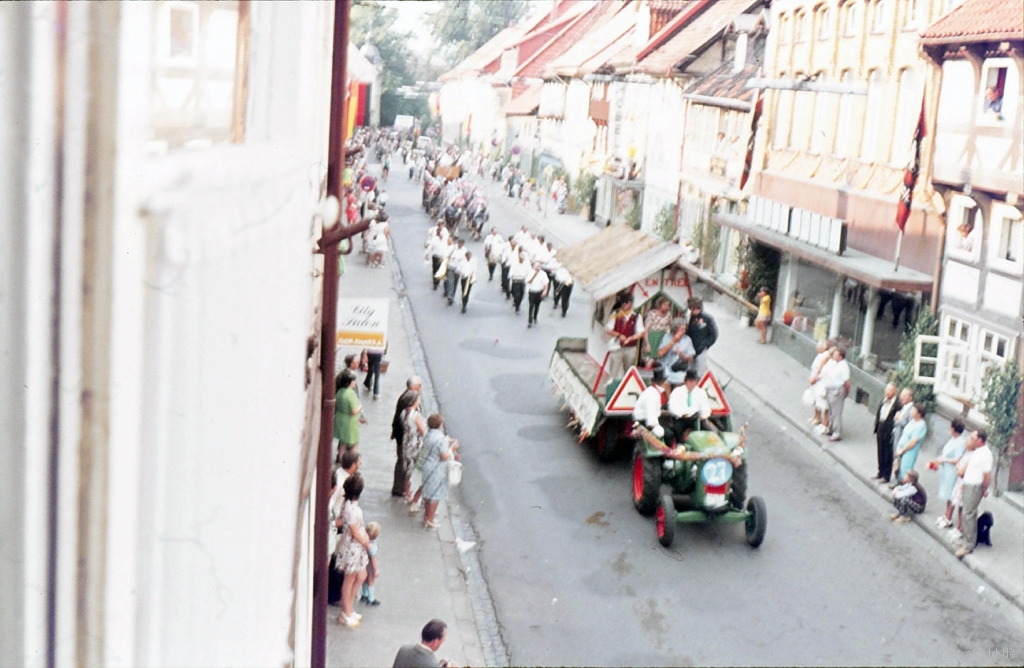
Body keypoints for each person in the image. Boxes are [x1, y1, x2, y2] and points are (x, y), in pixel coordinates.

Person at [336, 475, 371, 628]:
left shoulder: (349, 505)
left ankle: (349, 607)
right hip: (353, 547)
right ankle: (346, 611)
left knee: (361, 575)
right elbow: (355, 531)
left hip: (355, 547)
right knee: (350, 579)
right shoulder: (352, 509)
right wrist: (366, 542)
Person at [956, 430, 993, 559]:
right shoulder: (977, 451)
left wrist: (984, 489)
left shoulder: (986, 454)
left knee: (968, 514)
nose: (971, 439)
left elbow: (987, 476)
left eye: (973, 437)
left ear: (980, 440)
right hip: (968, 484)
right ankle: (968, 539)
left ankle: (968, 546)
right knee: (969, 513)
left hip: (974, 487)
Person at [419, 413, 459, 530]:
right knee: (435, 495)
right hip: (436, 468)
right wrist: (452, 448)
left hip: (427, 465)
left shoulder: (427, 434)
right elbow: (444, 456)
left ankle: (426, 516)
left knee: (427, 493)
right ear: (439, 425)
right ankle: (430, 519)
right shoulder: (440, 438)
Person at [391, 376, 422, 497]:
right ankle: (400, 489)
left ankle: (402, 488)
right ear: (414, 387)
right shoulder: (408, 399)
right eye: (419, 386)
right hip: (406, 438)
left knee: (403, 462)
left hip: (404, 437)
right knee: (404, 463)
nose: (420, 388)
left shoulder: (407, 396)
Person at [933, 419, 967, 529]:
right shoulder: (953, 439)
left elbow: (957, 459)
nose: (949, 429)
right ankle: (946, 515)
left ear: (955, 430)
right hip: (947, 470)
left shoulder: (961, 442)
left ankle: (948, 518)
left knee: (952, 495)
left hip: (953, 472)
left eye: (951, 427)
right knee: (947, 494)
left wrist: (944, 460)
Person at [605, 294, 644, 379]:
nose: (624, 304)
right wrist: (619, 335)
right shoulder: (616, 314)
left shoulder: (636, 316)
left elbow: (641, 332)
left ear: (631, 303)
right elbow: (608, 329)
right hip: (617, 346)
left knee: (628, 370)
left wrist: (631, 338)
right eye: (622, 302)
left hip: (630, 347)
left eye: (626, 302)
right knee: (614, 370)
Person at [667, 370, 712, 442]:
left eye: (694, 381)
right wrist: (681, 414)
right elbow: (672, 406)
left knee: (707, 429)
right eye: (690, 381)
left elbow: (705, 407)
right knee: (677, 429)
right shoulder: (677, 391)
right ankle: (679, 445)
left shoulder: (701, 393)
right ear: (686, 381)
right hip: (681, 418)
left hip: (695, 418)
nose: (692, 383)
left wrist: (704, 415)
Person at [632, 364, 672, 444]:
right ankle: (667, 453)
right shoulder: (652, 395)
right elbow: (651, 416)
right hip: (644, 421)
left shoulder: (653, 392)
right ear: (662, 382)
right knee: (669, 434)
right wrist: (657, 429)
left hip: (648, 419)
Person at [402, 393, 428, 507]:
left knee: (408, 469)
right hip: (415, 445)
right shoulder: (416, 415)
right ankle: (419, 496)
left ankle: (407, 493)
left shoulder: (404, 413)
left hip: (406, 442)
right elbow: (423, 431)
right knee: (418, 469)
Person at [820, 347, 851, 442]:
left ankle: (836, 433)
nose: (833, 356)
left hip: (837, 391)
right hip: (830, 389)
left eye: (835, 354)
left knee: (836, 412)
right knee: (830, 411)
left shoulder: (844, 366)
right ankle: (830, 428)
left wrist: (845, 393)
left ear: (840, 356)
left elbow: (847, 382)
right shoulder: (835, 364)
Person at [334, 370, 366, 458]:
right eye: (353, 381)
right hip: (349, 422)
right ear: (349, 382)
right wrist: (360, 406)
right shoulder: (350, 394)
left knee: (342, 444)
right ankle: (351, 462)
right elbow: (354, 411)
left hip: (340, 420)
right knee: (354, 444)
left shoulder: (340, 391)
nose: (355, 383)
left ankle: (341, 460)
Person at [872, 383, 900, 483]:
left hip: (889, 431)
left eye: (889, 391)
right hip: (880, 427)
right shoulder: (884, 400)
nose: (887, 393)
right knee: (880, 451)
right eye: (886, 390)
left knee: (888, 453)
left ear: (895, 392)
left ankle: (886, 476)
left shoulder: (897, 404)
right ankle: (880, 472)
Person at [893, 403, 927, 482]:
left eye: (913, 411)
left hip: (909, 451)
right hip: (901, 448)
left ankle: (905, 487)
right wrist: (898, 447)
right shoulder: (912, 421)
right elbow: (904, 434)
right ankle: (898, 484)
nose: (911, 412)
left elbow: (913, 442)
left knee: (906, 470)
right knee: (899, 468)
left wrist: (902, 450)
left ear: (919, 414)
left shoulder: (921, 426)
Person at [686, 297, 718, 377]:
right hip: (691, 347)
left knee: (701, 371)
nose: (692, 311)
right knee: (690, 370)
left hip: (702, 347)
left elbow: (714, 334)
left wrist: (706, 344)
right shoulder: (691, 318)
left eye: (694, 309)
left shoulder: (708, 318)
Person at [809, 339, 833, 429]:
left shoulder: (825, 356)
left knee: (819, 400)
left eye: (820, 345)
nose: (818, 347)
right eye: (818, 345)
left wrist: (814, 378)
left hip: (819, 380)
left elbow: (820, 368)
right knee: (815, 398)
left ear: (825, 347)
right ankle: (815, 416)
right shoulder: (820, 355)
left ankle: (819, 418)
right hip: (815, 378)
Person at [643, 297, 673, 362]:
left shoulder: (668, 314)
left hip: (662, 338)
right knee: (649, 360)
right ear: (660, 305)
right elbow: (646, 330)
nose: (667, 307)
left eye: (668, 305)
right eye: (665, 305)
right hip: (652, 338)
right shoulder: (652, 313)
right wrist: (647, 344)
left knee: (659, 360)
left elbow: (670, 326)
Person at [360, 522, 381, 606]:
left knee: (365, 580)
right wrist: (376, 569)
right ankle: (371, 598)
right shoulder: (373, 547)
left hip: (364, 564)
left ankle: (364, 594)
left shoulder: (365, 543)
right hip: (371, 566)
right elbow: (373, 559)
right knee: (371, 581)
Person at [526, 261, 550, 328]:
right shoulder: (530, 272)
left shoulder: (543, 274)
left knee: (537, 305)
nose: (537, 268)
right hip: (532, 292)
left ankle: (535, 317)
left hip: (539, 292)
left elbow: (546, 283)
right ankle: (529, 321)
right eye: (536, 267)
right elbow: (528, 281)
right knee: (531, 306)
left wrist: (545, 291)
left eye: (538, 267)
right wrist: (534, 275)